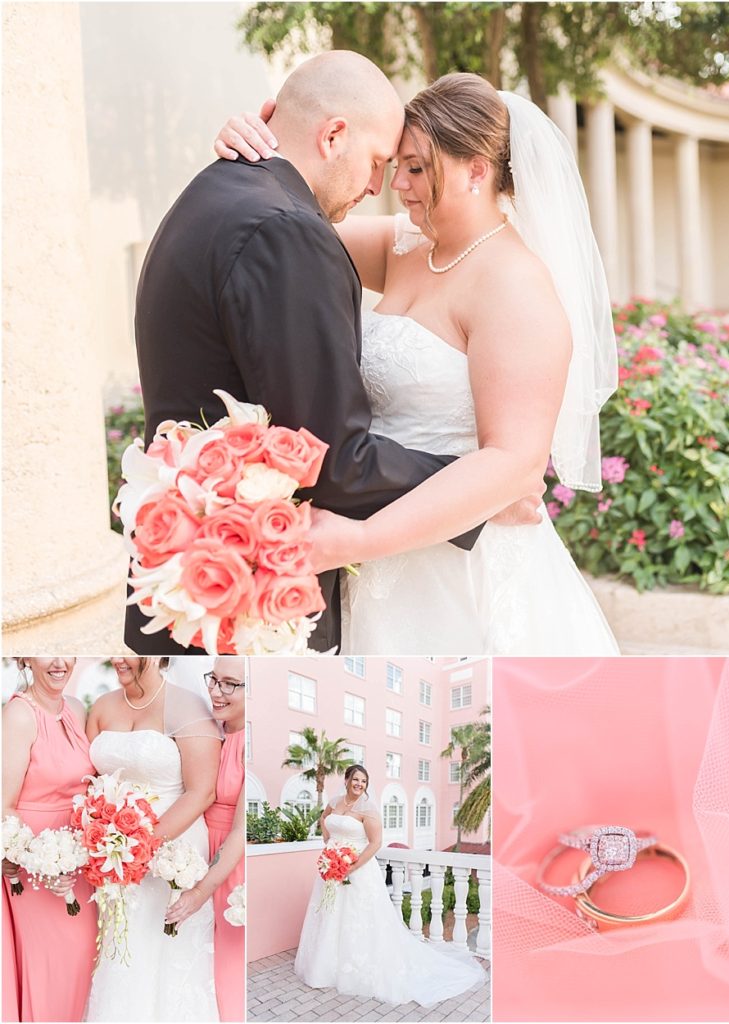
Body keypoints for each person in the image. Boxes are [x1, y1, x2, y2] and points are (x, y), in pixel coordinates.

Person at [128, 50, 523, 655]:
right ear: (334, 134)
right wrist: (481, 489)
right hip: (243, 590)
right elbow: (331, 460)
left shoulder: (213, 190)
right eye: (378, 162)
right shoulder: (287, 232)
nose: (379, 185)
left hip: (194, 575)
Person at [215, 72, 619, 654]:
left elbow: (516, 462)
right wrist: (256, 150)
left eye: (417, 168)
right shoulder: (403, 246)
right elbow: (284, 221)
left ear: (478, 170)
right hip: (364, 542)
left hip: (454, 565)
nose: (396, 183)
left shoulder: (515, 285)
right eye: (397, 164)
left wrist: (359, 539)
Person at [84, 658, 222, 1021]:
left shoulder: (189, 706)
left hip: (171, 850)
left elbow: (201, 792)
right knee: (121, 954)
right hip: (112, 856)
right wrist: (104, 838)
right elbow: (87, 784)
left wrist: (139, 848)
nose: (118, 659)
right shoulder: (100, 707)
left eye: (130, 653)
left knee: (164, 957)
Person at [293, 765, 485, 1005]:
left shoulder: (368, 809)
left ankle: (354, 968)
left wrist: (351, 866)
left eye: (363, 781)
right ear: (346, 780)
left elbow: (375, 843)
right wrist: (329, 844)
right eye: (355, 779)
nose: (359, 784)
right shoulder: (334, 801)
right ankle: (326, 966)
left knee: (357, 917)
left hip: (358, 870)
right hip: (331, 869)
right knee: (330, 913)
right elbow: (325, 819)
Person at [2, 658, 98, 1022]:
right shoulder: (19, 715)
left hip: (79, 864)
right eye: (47, 652)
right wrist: (42, 860)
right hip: (35, 869)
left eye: (66, 651)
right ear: (26, 658)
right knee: (52, 969)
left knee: (83, 963)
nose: (60, 663)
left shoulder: (75, 708)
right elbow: (5, 806)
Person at [164, 657, 247, 1021]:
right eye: (213, 679)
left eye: (229, 684)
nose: (215, 691)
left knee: (227, 976)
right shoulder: (211, 731)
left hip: (228, 863)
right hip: (192, 853)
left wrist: (201, 891)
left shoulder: (249, 744)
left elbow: (241, 832)